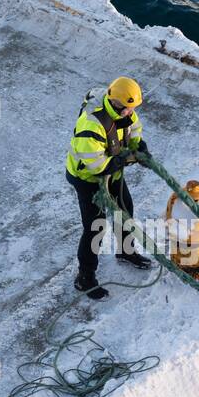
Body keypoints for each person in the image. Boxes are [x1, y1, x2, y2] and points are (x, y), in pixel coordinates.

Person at [64, 76, 151, 299]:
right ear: (116, 104)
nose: (131, 113)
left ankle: (126, 251)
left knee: (125, 209)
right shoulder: (91, 126)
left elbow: (134, 129)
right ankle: (85, 278)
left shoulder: (124, 110)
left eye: (133, 109)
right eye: (128, 109)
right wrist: (128, 159)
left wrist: (138, 146)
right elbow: (98, 166)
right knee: (95, 226)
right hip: (88, 179)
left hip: (113, 173)